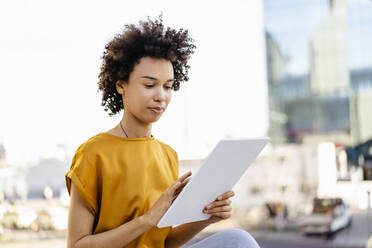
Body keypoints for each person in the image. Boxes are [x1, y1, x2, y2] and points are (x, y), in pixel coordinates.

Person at [65, 14, 261, 248]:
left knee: (238, 240)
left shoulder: (167, 155)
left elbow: (164, 243)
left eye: (168, 86)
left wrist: (208, 217)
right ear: (120, 85)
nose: (161, 96)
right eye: (149, 85)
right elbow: (76, 245)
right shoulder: (93, 154)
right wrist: (147, 220)